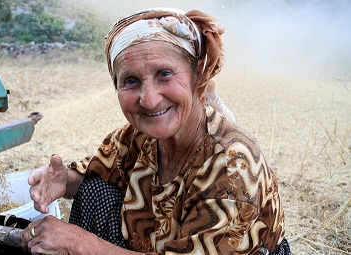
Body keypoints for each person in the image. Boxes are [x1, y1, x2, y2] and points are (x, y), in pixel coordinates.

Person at [20, 7, 290, 255]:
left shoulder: (232, 168)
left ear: (198, 75)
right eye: (131, 81)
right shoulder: (138, 137)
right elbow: (100, 169)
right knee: (93, 191)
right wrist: (65, 181)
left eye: (164, 74)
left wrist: (78, 244)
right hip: (152, 244)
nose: (148, 100)